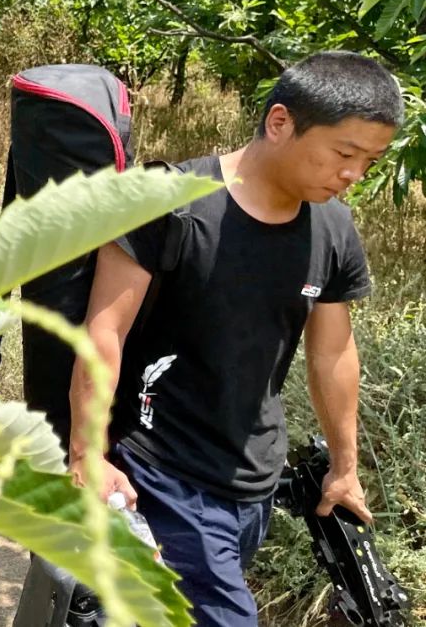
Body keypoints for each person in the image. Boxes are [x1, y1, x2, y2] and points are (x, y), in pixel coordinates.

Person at [67, 52, 403, 626]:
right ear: (279, 123)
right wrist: (86, 453)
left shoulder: (332, 228)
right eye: (344, 154)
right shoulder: (167, 202)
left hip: (253, 479)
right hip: (162, 469)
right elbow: (105, 330)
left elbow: (333, 353)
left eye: (369, 161)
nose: (354, 174)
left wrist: (344, 467)